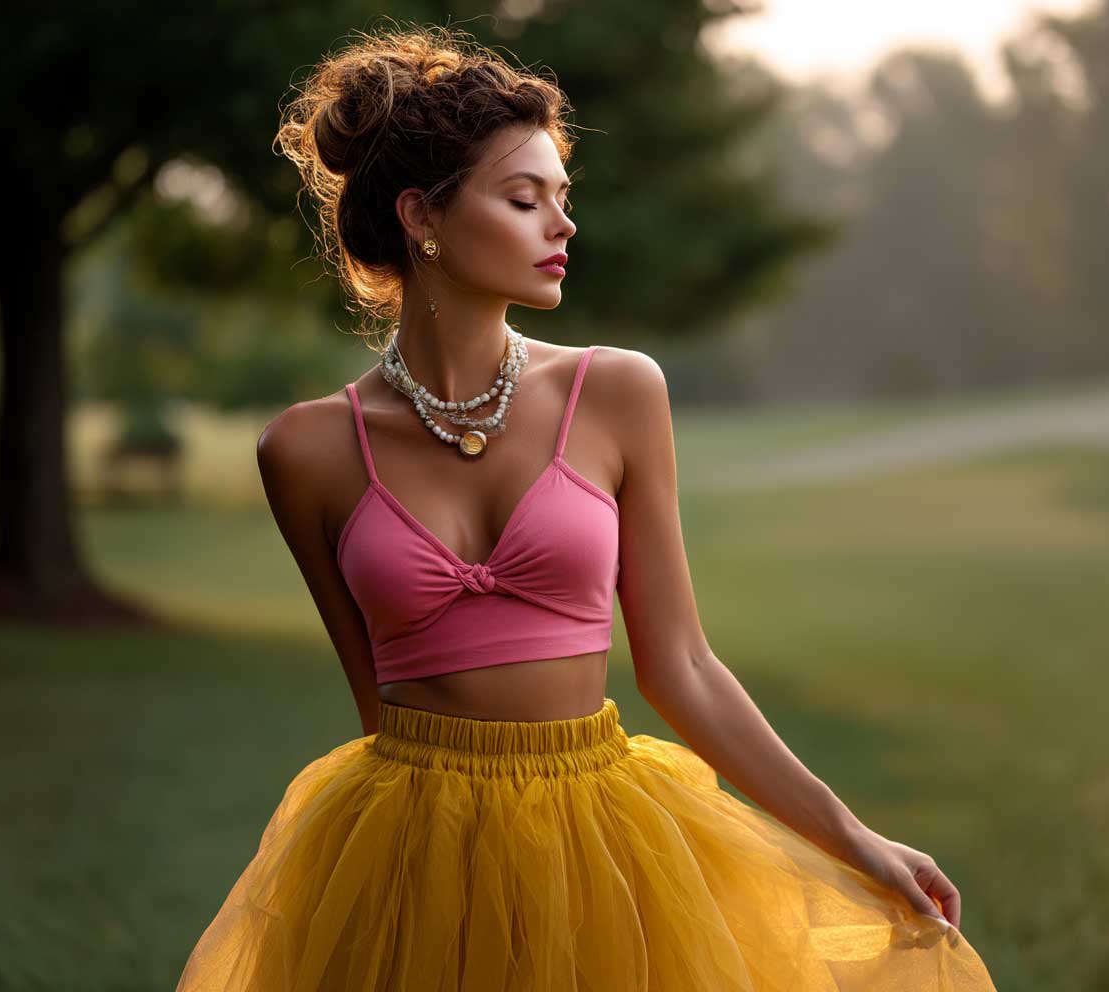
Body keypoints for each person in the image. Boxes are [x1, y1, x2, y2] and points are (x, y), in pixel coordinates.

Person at [176, 21, 999, 991]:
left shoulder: (617, 394)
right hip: (407, 846)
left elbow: (681, 663)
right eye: (525, 199)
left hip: (608, 836)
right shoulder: (305, 451)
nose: (563, 226)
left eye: (563, 199)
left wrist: (854, 834)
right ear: (421, 216)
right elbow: (377, 700)